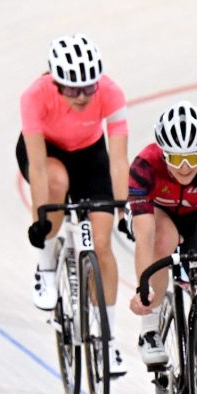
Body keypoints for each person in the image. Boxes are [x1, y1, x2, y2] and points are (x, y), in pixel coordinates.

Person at [17, 33, 130, 375]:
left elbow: (118, 160)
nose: (81, 97)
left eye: (87, 89)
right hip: (47, 156)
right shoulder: (34, 96)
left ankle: (107, 342)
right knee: (56, 184)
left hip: (90, 157)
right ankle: (46, 268)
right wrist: (40, 218)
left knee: (102, 244)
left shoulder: (111, 92)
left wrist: (122, 209)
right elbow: (36, 166)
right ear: (55, 81)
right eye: (71, 89)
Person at [126, 101, 197, 366]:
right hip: (161, 216)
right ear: (162, 153)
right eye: (175, 158)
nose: (184, 167)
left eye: (192, 158)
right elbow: (144, 238)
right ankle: (150, 330)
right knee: (161, 238)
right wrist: (144, 289)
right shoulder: (144, 165)